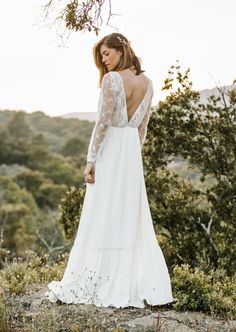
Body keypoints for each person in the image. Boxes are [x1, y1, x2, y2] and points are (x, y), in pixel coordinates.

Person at [46, 32, 173, 308]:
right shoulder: (148, 84)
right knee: (128, 214)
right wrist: (132, 158)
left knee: (103, 212)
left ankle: (101, 277)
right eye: (101, 56)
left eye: (106, 53)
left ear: (122, 49)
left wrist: (91, 160)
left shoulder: (112, 80)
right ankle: (128, 279)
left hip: (111, 150)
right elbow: (142, 128)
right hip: (130, 154)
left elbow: (102, 124)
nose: (104, 60)